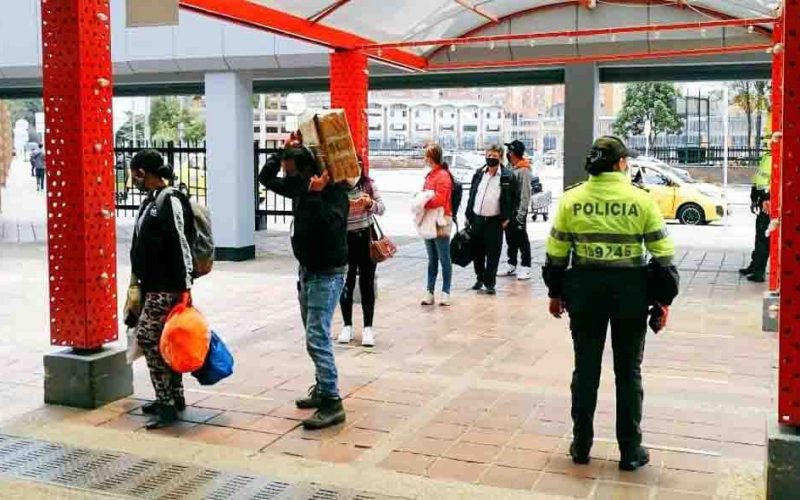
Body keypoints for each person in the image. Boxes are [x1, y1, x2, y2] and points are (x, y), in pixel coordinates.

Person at [542, 136, 679, 471]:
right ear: (619, 164)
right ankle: (631, 451)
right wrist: (663, 301)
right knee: (628, 372)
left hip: (585, 294)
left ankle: (581, 445)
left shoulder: (572, 200)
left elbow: (557, 251)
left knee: (585, 370)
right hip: (630, 294)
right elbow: (663, 256)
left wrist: (555, 293)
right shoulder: (641, 200)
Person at [259, 136, 348, 430]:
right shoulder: (300, 184)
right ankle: (322, 389)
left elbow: (326, 228)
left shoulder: (335, 193)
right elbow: (265, 178)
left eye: (290, 170)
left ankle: (333, 402)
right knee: (313, 336)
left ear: (306, 170)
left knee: (317, 337)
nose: (286, 177)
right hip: (307, 271)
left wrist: (314, 194)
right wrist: (280, 151)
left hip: (328, 273)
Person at [125, 149, 196, 430]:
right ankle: (173, 397)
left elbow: (181, 244)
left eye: (134, 176)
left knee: (148, 339)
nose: (134, 182)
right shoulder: (151, 201)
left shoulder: (171, 200)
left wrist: (184, 287)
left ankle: (166, 402)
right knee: (167, 339)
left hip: (168, 288)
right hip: (153, 286)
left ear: (142, 172)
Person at [338, 163, 386, 347]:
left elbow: (382, 208)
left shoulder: (368, 185)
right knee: (346, 283)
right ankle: (347, 325)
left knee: (367, 282)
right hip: (345, 240)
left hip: (366, 238)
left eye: (357, 165)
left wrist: (370, 204)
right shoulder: (338, 187)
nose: (353, 170)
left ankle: (368, 327)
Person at [465, 144, 515, 295]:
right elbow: (472, 195)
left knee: (493, 253)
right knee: (477, 252)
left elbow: (513, 199)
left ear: (500, 157)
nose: (491, 158)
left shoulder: (507, 176)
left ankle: (490, 282)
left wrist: (507, 218)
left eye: (494, 156)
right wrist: (468, 215)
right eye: (489, 155)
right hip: (477, 219)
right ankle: (480, 278)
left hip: (495, 222)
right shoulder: (479, 173)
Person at [420, 143, 453, 306]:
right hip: (428, 219)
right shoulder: (429, 175)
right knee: (432, 258)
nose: (424, 158)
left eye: (426, 155)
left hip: (441, 220)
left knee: (444, 257)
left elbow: (440, 198)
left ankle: (446, 292)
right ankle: (430, 291)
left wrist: (422, 202)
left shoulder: (443, 175)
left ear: (432, 157)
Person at [498, 140, 533, 280]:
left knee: (521, 238)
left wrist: (521, 215)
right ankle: (511, 264)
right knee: (510, 238)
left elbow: (525, 194)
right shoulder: (510, 167)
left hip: (518, 211)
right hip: (508, 211)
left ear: (513, 153)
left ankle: (526, 266)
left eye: (509, 152)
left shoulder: (523, 170)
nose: (507, 154)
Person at [740, 144, 772, 283]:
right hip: (762, 201)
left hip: (768, 203)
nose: (765, 143)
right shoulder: (767, 156)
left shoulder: (774, 156)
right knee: (759, 237)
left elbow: (771, 182)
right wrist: (754, 198)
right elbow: (759, 180)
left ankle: (759, 272)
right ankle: (754, 266)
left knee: (763, 239)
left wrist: (766, 198)